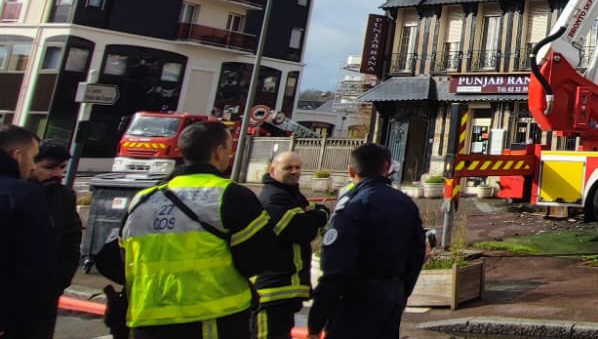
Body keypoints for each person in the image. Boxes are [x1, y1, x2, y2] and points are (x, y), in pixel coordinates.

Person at [118, 121, 277, 339]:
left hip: (146, 319)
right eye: (229, 147)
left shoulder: (142, 199)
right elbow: (260, 259)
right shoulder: (230, 195)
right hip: (212, 320)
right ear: (219, 151)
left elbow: (121, 257)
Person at [308, 143, 425, 339]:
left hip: (356, 300)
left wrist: (317, 321)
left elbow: (335, 269)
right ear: (386, 168)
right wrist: (401, 292)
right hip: (391, 296)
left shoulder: (354, 205)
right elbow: (417, 253)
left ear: (351, 171)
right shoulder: (405, 203)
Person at [252, 152, 329, 339]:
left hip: (283, 291)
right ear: (272, 170)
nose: (294, 172)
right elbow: (301, 230)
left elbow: (309, 217)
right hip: (271, 291)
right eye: (288, 168)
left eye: (297, 167)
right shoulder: (273, 198)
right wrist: (317, 216)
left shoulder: (290, 195)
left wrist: (312, 216)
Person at [2, 124, 57, 339]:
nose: (33, 167)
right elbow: (35, 267)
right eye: (33, 158)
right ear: (17, 156)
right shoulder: (24, 195)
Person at [31, 140, 84, 338]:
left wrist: (60, 280)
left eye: (62, 168)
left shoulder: (64, 196)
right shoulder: (15, 193)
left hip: (46, 290)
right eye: (49, 167)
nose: (58, 174)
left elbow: (71, 240)